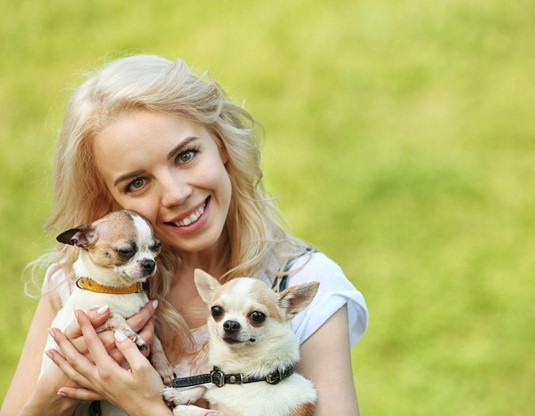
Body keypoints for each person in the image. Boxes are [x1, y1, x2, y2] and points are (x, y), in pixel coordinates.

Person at [0, 54, 368, 416]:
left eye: (186, 155)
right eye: (138, 182)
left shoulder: (301, 284)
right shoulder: (76, 287)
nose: (176, 194)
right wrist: (52, 398)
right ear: (108, 198)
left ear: (221, 143)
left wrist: (147, 407)